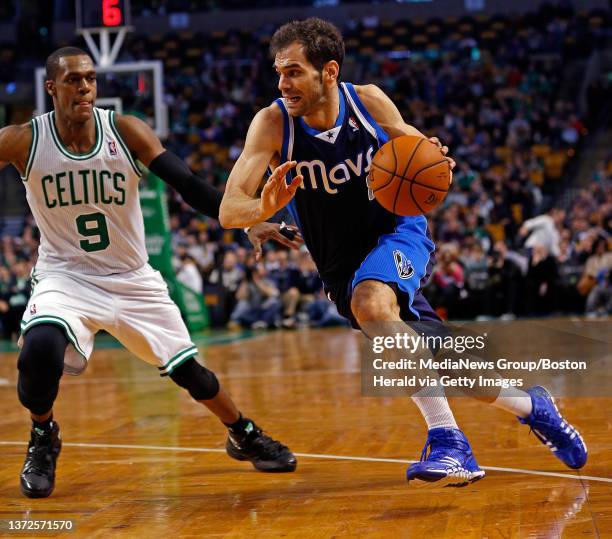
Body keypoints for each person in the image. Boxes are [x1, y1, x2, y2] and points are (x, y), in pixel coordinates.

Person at [219, 18, 587, 487]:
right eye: (279, 72)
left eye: (293, 72)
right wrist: (263, 207)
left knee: (372, 303)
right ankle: (533, 406)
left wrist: (434, 159)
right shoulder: (272, 124)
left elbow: (416, 150)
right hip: (339, 262)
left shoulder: (367, 101)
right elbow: (230, 209)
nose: (282, 83)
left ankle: (449, 442)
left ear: (328, 72)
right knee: (444, 361)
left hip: (397, 233)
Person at [0, 47, 299, 499]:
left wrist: (249, 219)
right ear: (51, 88)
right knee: (39, 349)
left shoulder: (125, 131)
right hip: (65, 276)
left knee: (191, 375)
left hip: (131, 278)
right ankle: (43, 436)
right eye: (73, 79)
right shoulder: (23, 140)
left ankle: (243, 432)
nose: (84, 86)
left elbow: (190, 186)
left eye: (90, 78)